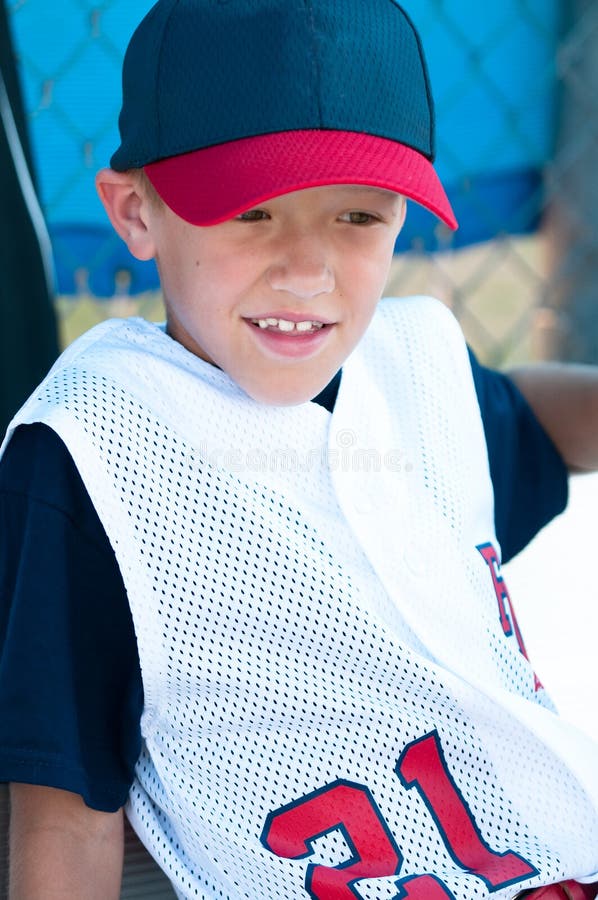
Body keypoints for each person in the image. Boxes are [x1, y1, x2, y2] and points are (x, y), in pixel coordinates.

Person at [2, 1, 598, 898]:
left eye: (358, 216)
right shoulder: (94, 452)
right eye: (252, 211)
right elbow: (64, 810)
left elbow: (513, 417)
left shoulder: (410, 363)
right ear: (135, 212)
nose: (308, 269)